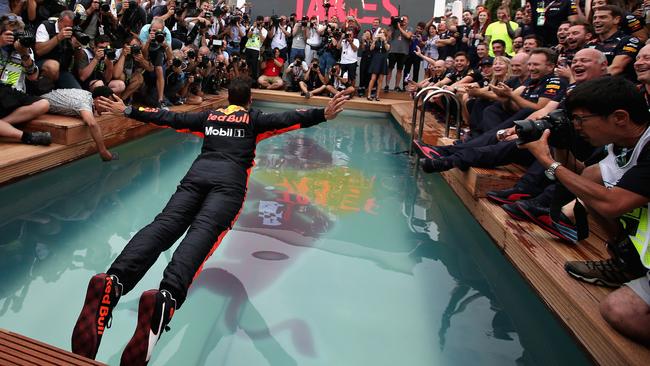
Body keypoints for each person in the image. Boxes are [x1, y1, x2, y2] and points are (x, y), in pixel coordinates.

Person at [71, 77, 349, 365]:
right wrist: (323, 114)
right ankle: (164, 298)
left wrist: (128, 111)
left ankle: (114, 281)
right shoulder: (255, 120)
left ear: (228, 99)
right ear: (249, 101)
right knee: (201, 236)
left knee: (163, 225)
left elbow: (167, 117)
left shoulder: (208, 117)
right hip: (229, 185)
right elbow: (290, 118)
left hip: (196, 176)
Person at [520, 76, 650, 346]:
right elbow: (584, 179)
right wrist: (558, 145)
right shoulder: (622, 143)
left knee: (621, 311)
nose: (576, 126)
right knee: (591, 182)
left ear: (619, 117)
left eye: (580, 119)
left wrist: (546, 162)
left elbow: (614, 204)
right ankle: (627, 263)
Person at [0, 13, 51, 146]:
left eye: (18, 34)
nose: (16, 38)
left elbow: (33, 77)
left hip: (15, 94)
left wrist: (24, 54)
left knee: (44, 104)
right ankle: (24, 136)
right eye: (12, 34)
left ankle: (4, 124)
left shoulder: (25, 49)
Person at [41, 86, 117, 161]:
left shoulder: (89, 96)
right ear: (98, 99)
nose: (108, 109)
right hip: (40, 103)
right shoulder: (83, 103)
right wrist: (103, 151)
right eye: (107, 104)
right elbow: (92, 124)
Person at [366, 27, 390, 101]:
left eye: (383, 32)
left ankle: (377, 96)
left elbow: (387, 48)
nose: (382, 34)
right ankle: (369, 95)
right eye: (381, 32)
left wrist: (384, 40)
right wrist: (374, 40)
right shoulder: (376, 41)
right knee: (373, 78)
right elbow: (371, 48)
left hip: (383, 60)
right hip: (376, 60)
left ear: (385, 34)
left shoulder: (386, 42)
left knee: (380, 79)